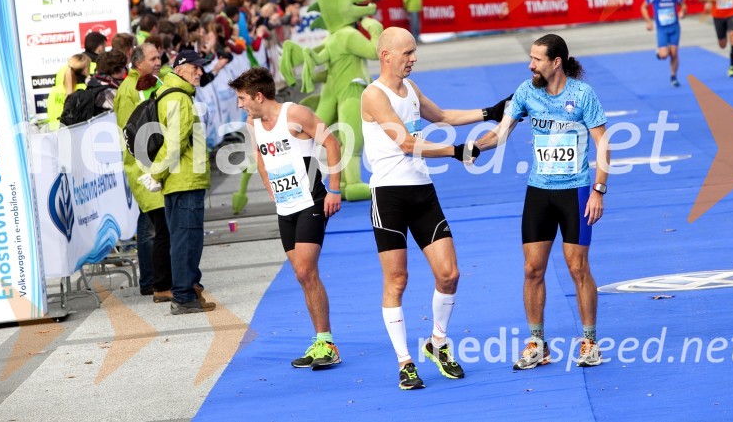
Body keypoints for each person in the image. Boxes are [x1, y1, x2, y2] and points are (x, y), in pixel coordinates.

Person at [361, 26, 510, 390]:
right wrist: (455, 151)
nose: (414, 58)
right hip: (389, 197)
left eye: (414, 52)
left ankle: (437, 342)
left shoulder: (410, 88)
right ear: (386, 56)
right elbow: (406, 143)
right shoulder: (373, 95)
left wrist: (489, 112)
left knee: (450, 274)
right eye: (407, 53)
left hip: (422, 192)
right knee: (397, 281)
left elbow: (441, 115)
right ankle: (404, 361)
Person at [473, 33, 610, 372]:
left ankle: (590, 342)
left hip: (576, 191)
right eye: (530, 58)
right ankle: (537, 343)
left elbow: (603, 144)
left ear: (556, 62)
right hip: (538, 192)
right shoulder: (525, 92)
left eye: (536, 59)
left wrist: (598, 190)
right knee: (532, 269)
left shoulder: (582, 95)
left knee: (577, 268)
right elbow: (501, 132)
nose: (530, 64)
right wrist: (473, 148)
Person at [229, 67, 343, 369]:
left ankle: (327, 343)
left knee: (306, 271)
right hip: (286, 206)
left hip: (312, 200)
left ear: (258, 95)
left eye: (242, 98)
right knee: (303, 276)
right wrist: (271, 190)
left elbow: (332, 144)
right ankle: (321, 341)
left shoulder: (296, 114)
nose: (240, 105)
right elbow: (261, 157)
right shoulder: (252, 123)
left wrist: (335, 189)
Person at [139, 50, 215, 314]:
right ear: (180, 68)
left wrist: (157, 174)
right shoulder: (179, 98)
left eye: (201, 67)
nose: (200, 72)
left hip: (179, 179)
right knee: (187, 239)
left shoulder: (172, 93)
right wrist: (156, 173)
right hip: (184, 180)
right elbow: (175, 141)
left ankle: (190, 289)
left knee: (183, 238)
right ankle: (184, 296)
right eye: (195, 67)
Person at [115, 43, 173, 302]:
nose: (158, 61)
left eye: (159, 57)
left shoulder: (152, 81)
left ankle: (153, 280)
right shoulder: (129, 89)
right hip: (142, 166)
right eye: (153, 58)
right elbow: (135, 132)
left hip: (151, 164)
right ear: (138, 63)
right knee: (154, 227)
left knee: (151, 224)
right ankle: (154, 282)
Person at [641, 0, 687, 87]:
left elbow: (683, 5)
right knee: (664, 55)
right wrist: (648, 22)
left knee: (674, 53)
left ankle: (673, 77)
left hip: (674, 27)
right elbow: (643, 7)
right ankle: (660, 53)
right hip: (662, 29)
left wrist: (683, 12)